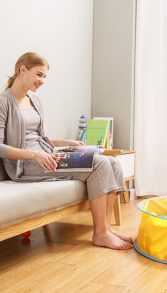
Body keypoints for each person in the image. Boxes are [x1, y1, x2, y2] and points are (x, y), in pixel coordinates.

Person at [0, 52, 133, 250]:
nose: (42, 81)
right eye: (39, 74)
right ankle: (100, 233)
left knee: (111, 161)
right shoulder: (4, 102)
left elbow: (40, 139)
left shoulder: (34, 100)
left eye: (45, 76)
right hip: (27, 162)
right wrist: (35, 155)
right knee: (99, 164)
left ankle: (106, 228)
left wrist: (66, 142)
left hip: (46, 154)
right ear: (22, 70)